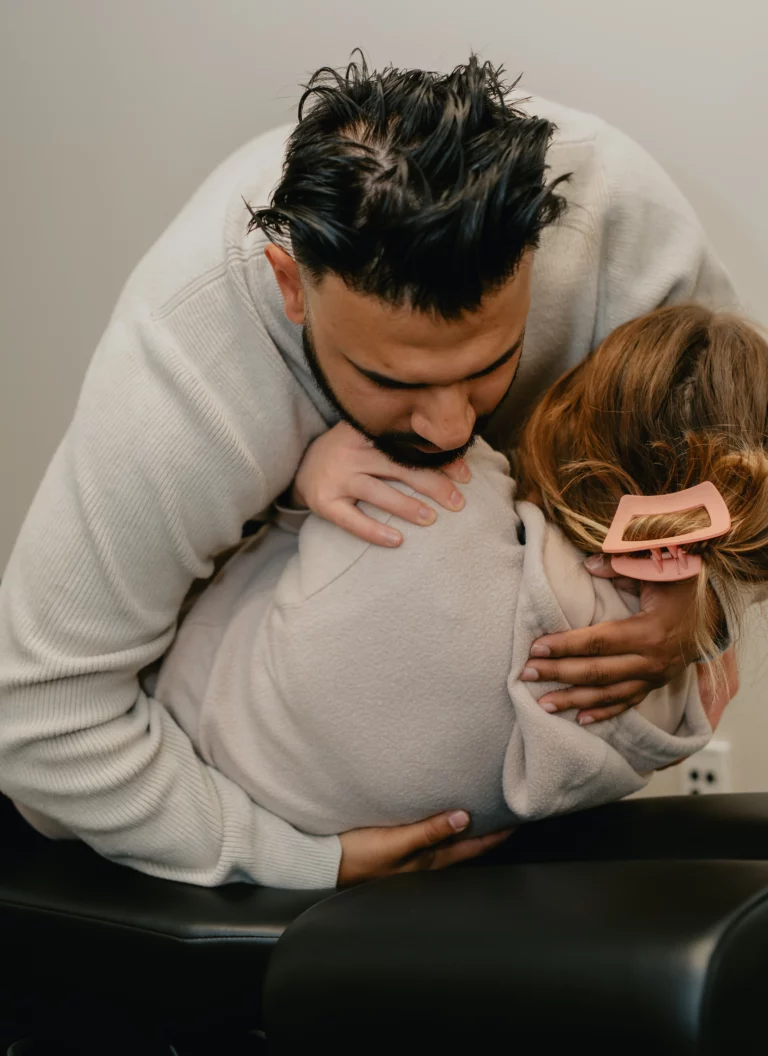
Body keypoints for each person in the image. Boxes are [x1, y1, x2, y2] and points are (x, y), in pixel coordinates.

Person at [0, 54, 739, 888]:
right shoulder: (185, 369)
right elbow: (39, 720)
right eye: (392, 381)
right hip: (241, 803)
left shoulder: (626, 238)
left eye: (491, 366)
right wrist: (297, 859)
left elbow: (731, 466)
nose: (452, 426)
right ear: (291, 287)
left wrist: (699, 601)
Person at [153, 303, 754, 889]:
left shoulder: (441, 492)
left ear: (568, 416)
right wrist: (696, 601)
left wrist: (306, 476)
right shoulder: (680, 704)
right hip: (328, 865)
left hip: (179, 759)